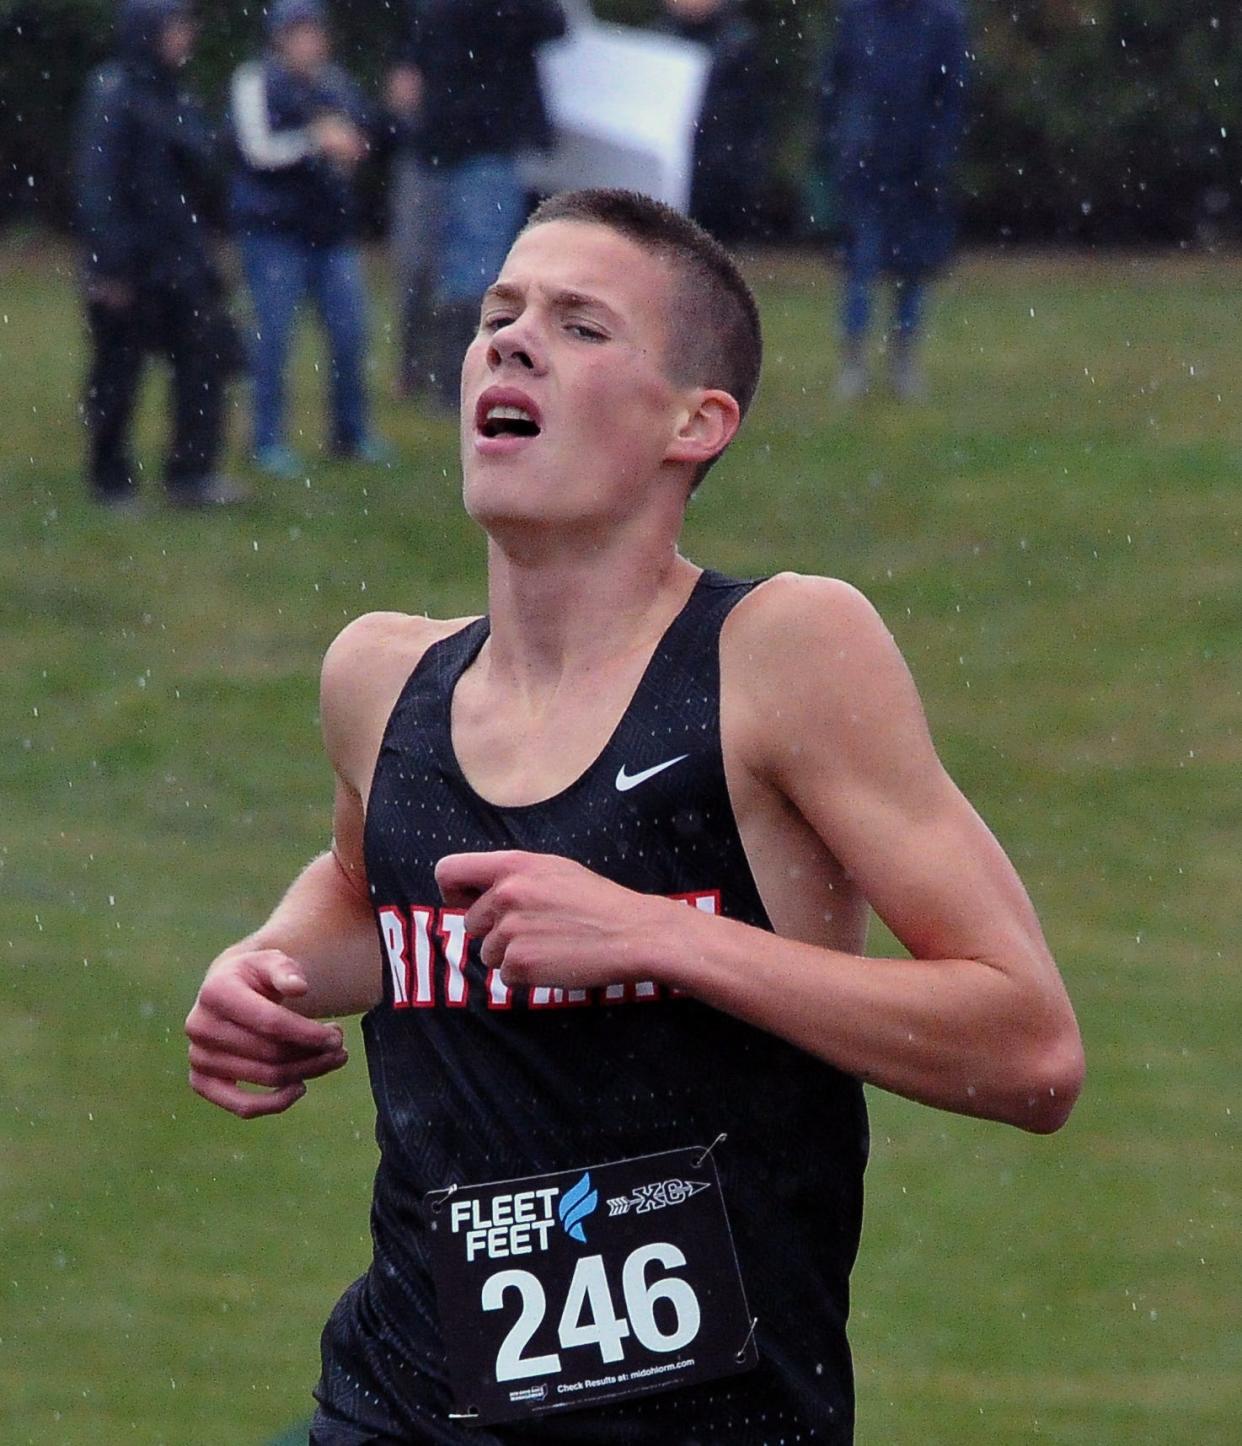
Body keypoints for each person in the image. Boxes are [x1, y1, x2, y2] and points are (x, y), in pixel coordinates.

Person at [185, 188, 1083, 1443]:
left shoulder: (780, 654)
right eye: (498, 313)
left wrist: (662, 935)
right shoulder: (381, 678)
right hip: (396, 1408)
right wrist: (265, 969)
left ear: (694, 423)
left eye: (579, 324)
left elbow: (1031, 1050)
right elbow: (366, 891)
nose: (508, 339)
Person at [73, 0, 244, 510]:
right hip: (130, 264)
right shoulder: (113, 93)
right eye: (175, 26)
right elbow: (96, 185)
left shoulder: (178, 95)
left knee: (203, 362)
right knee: (116, 375)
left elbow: (199, 175)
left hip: (181, 262)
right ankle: (110, 479)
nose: (184, 36)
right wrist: (109, 266)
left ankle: (191, 476)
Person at [229, 0, 400, 478]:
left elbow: (361, 137)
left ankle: (351, 433)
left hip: (331, 234)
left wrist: (354, 145)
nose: (311, 42)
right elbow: (257, 150)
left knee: (351, 334)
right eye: (300, 32)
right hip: (273, 234)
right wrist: (314, 141)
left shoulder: (336, 83)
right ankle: (266, 439)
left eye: (316, 32)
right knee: (272, 339)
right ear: (279, 37)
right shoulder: (255, 81)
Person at [389, 0, 566, 408]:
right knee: (445, 267)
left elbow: (552, 25)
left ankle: (447, 376)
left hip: (466, 142)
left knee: (460, 269)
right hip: (454, 143)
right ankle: (440, 373)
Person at [816, 0, 968, 401]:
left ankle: (903, 358)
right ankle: (855, 362)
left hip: (918, 168)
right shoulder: (857, 15)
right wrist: (842, 143)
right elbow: (835, 84)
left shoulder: (942, 20)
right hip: (864, 164)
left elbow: (951, 93)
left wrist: (936, 156)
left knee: (913, 268)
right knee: (860, 265)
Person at [655, 0, 768, 242]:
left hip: (717, 169)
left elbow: (750, 116)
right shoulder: (658, 39)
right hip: (674, 164)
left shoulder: (738, 42)